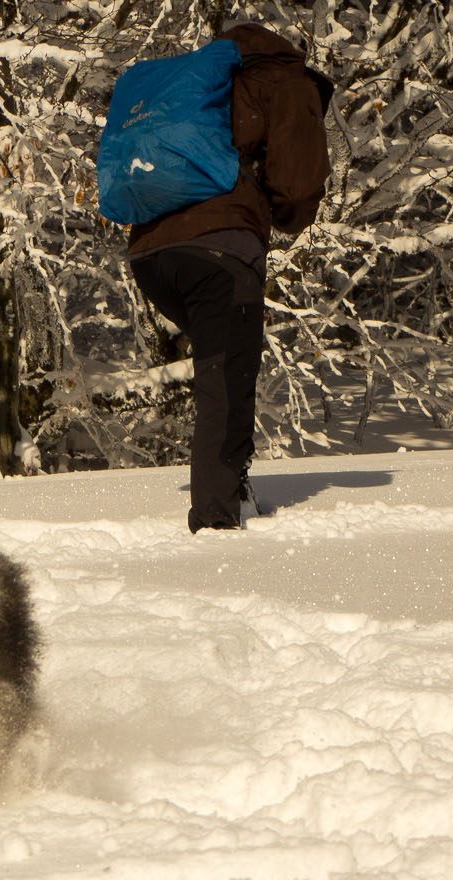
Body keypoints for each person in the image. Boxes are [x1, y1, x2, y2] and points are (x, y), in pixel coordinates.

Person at [125, 23, 332, 531]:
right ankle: (218, 521)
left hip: (151, 253)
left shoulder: (202, 85)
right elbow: (299, 185)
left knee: (223, 370)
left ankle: (231, 490)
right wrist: (280, 214)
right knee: (226, 380)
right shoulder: (288, 82)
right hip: (221, 249)